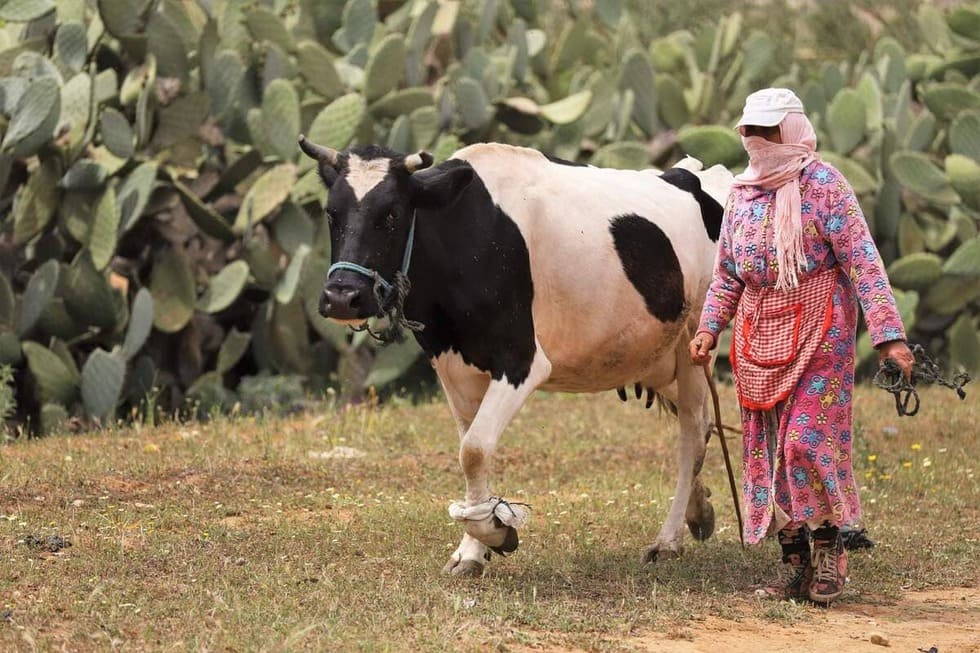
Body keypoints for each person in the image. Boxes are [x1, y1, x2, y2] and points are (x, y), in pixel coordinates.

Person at [689, 88, 914, 605]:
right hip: (757, 336)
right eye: (751, 132)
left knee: (804, 443)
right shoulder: (743, 195)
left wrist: (889, 336)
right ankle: (795, 565)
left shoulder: (825, 185)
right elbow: (727, 273)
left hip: (822, 328)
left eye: (768, 132)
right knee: (767, 453)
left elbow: (861, 260)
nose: (758, 142)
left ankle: (831, 547)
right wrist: (709, 327)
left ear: (791, 132)